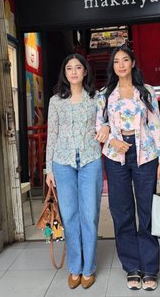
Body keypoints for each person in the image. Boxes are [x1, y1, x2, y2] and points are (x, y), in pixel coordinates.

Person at [96, 45, 160, 291]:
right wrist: (111, 138)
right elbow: (98, 126)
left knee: (147, 209)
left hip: (145, 154)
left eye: (126, 60)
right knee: (121, 210)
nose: (121, 65)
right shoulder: (104, 94)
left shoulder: (146, 92)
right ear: (112, 67)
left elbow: (156, 126)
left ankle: (150, 266)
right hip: (116, 156)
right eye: (117, 61)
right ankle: (131, 266)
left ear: (133, 63)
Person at [45, 53, 106, 289]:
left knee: (89, 215)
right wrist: (48, 168)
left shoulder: (96, 98)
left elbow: (106, 122)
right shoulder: (55, 101)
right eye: (69, 68)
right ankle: (75, 267)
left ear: (85, 71)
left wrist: (108, 127)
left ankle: (88, 268)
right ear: (65, 72)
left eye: (78, 67)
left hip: (90, 160)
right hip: (62, 162)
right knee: (70, 216)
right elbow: (53, 135)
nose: (73, 71)